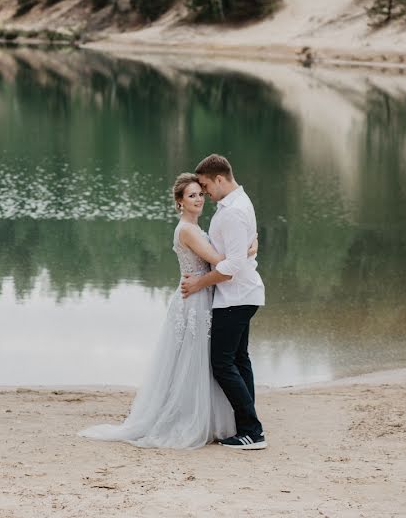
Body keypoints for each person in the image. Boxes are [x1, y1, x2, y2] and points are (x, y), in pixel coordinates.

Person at [78, 172, 256, 449]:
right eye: (191, 196)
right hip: (194, 300)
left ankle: (215, 418)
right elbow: (219, 260)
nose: (198, 199)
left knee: (204, 361)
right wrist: (250, 247)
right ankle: (188, 417)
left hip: (203, 294)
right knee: (192, 360)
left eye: (200, 193)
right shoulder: (186, 229)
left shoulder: (196, 228)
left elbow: (218, 262)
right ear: (179, 202)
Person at [181, 154, 266, 450]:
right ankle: (247, 426)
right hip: (244, 294)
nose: (204, 192)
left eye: (205, 186)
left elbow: (231, 267)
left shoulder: (231, 211)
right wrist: (249, 249)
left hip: (235, 297)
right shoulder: (240, 203)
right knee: (239, 360)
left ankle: (252, 430)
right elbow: (244, 248)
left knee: (222, 362)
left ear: (219, 179)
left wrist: (198, 283)